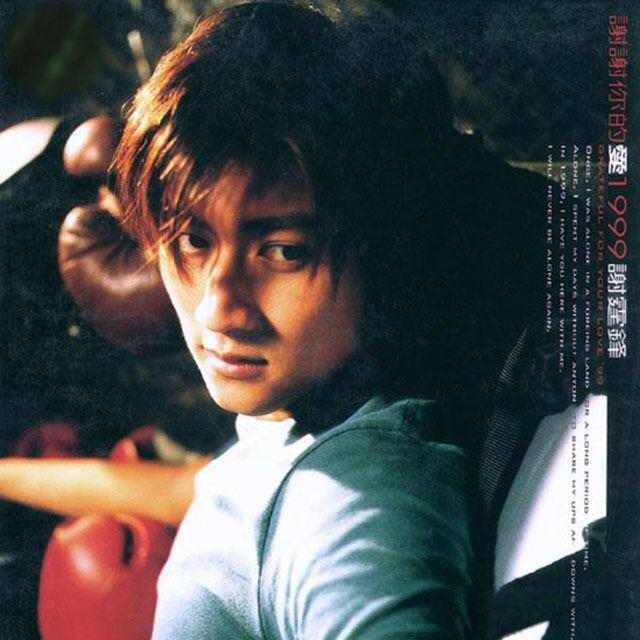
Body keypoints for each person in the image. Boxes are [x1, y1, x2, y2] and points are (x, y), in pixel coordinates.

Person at [111, 2, 473, 639]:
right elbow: (206, 494)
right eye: (193, 241)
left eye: (282, 252)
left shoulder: (355, 500)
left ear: (382, 255)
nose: (218, 309)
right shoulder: (292, 425)